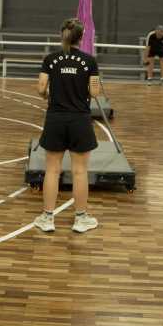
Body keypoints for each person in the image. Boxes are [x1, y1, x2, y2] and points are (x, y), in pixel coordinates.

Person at [34, 18, 101, 234]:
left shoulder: (50, 59)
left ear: (61, 35)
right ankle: (81, 219)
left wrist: (49, 94)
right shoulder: (89, 61)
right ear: (81, 38)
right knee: (80, 171)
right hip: (80, 120)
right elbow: (95, 93)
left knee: (52, 170)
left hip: (55, 119)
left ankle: (47, 218)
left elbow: (41, 88)